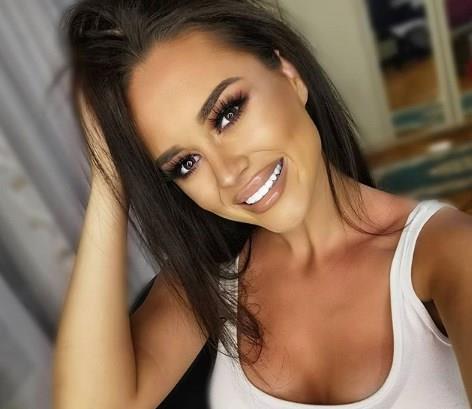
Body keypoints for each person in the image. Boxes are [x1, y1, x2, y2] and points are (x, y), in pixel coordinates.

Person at [52, 1, 472, 408]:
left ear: (290, 75)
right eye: (186, 163)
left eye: (228, 113)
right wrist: (109, 170)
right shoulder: (211, 284)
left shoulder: (448, 253)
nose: (228, 172)